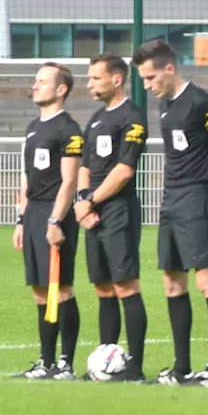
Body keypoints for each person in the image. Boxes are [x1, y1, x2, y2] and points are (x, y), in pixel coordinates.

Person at [133, 40, 208, 386]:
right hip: (171, 201)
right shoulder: (165, 105)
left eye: (150, 77)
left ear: (169, 69)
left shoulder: (201, 102)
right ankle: (181, 367)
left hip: (198, 199)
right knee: (172, 283)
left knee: (207, 281)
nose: (147, 85)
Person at [73, 54, 149, 380]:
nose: (89, 84)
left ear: (116, 79)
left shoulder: (133, 117)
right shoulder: (94, 120)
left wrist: (90, 200)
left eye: (95, 78)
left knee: (125, 286)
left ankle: (134, 367)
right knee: (103, 289)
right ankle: (106, 361)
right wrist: (81, 203)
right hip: (92, 213)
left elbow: (124, 170)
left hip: (119, 212)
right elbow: (85, 166)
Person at [14, 63, 84, 379]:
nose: (35, 85)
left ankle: (65, 363)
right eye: (36, 80)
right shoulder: (32, 128)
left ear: (61, 89)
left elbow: (69, 182)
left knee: (61, 289)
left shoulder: (68, 129)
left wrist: (56, 220)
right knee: (41, 291)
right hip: (33, 215)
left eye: (42, 81)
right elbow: (28, 179)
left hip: (57, 214)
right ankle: (45, 361)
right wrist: (20, 220)